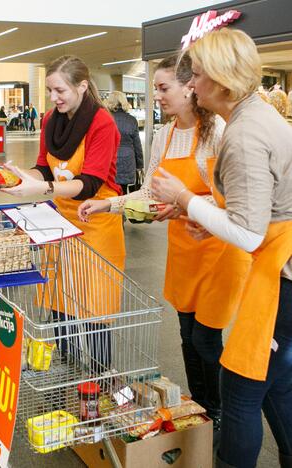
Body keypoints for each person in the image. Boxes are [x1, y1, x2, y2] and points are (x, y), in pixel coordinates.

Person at [80, 54, 251, 432]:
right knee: (187, 336)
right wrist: (108, 203)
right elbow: (146, 191)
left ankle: (222, 413)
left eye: (162, 87)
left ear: (191, 88)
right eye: (154, 88)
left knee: (206, 339)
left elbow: (234, 199)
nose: (155, 95)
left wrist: (184, 202)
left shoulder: (220, 132)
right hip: (184, 251)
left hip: (221, 250)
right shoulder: (165, 134)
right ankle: (203, 411)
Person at [151, 29, 292, 468]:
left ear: (222, 79)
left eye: (197, 75)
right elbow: (256, 202)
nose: (190, 84)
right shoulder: (257, 118)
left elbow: (249, 232)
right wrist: (204, 211)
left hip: (278, 274)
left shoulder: (244, 134)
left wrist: (186, 199)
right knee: (278, 384)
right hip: (275, 264)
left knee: (241, 387)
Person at [1, 55, 123, 367]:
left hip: (95, 221)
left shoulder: (102, 123)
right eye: (50, 91)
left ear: (82, 86)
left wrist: (42, 188)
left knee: (94, 309)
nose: (54, 98)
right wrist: (21, 177)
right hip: (60, 223)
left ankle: (97, 379)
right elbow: (44, 167)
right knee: (61, 304)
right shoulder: (49, 120)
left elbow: (91, 183)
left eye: (60, 91)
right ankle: (68, 368)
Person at [105, 91, 144, 194]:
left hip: (110, 159)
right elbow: (137, 145)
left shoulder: (106, 119)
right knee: (126, 190)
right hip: (128, 160)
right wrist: (140, 165)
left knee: (111, 190)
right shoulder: (132, 120)